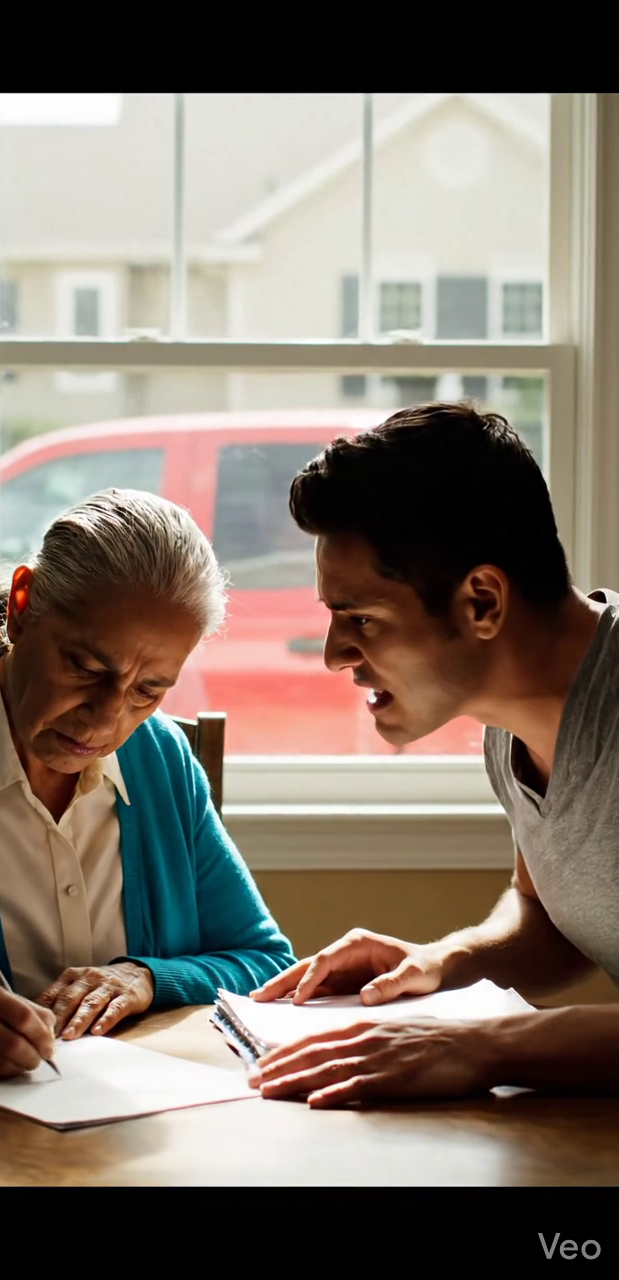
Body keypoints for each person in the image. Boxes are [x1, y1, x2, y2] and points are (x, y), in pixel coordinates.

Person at [249, 402, 619, 1107]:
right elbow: (550, 919)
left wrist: (484, 1046)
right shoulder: (507, 725)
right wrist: (438, 963)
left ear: (481, 602)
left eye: (361, 618)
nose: (334, 655)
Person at [0, 488, 294, 1080]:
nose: (106, 722)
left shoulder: (160, 757)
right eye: (85, 667)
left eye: (147, 691)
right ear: (21, 605)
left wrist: (146, 978)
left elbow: (266, 962)